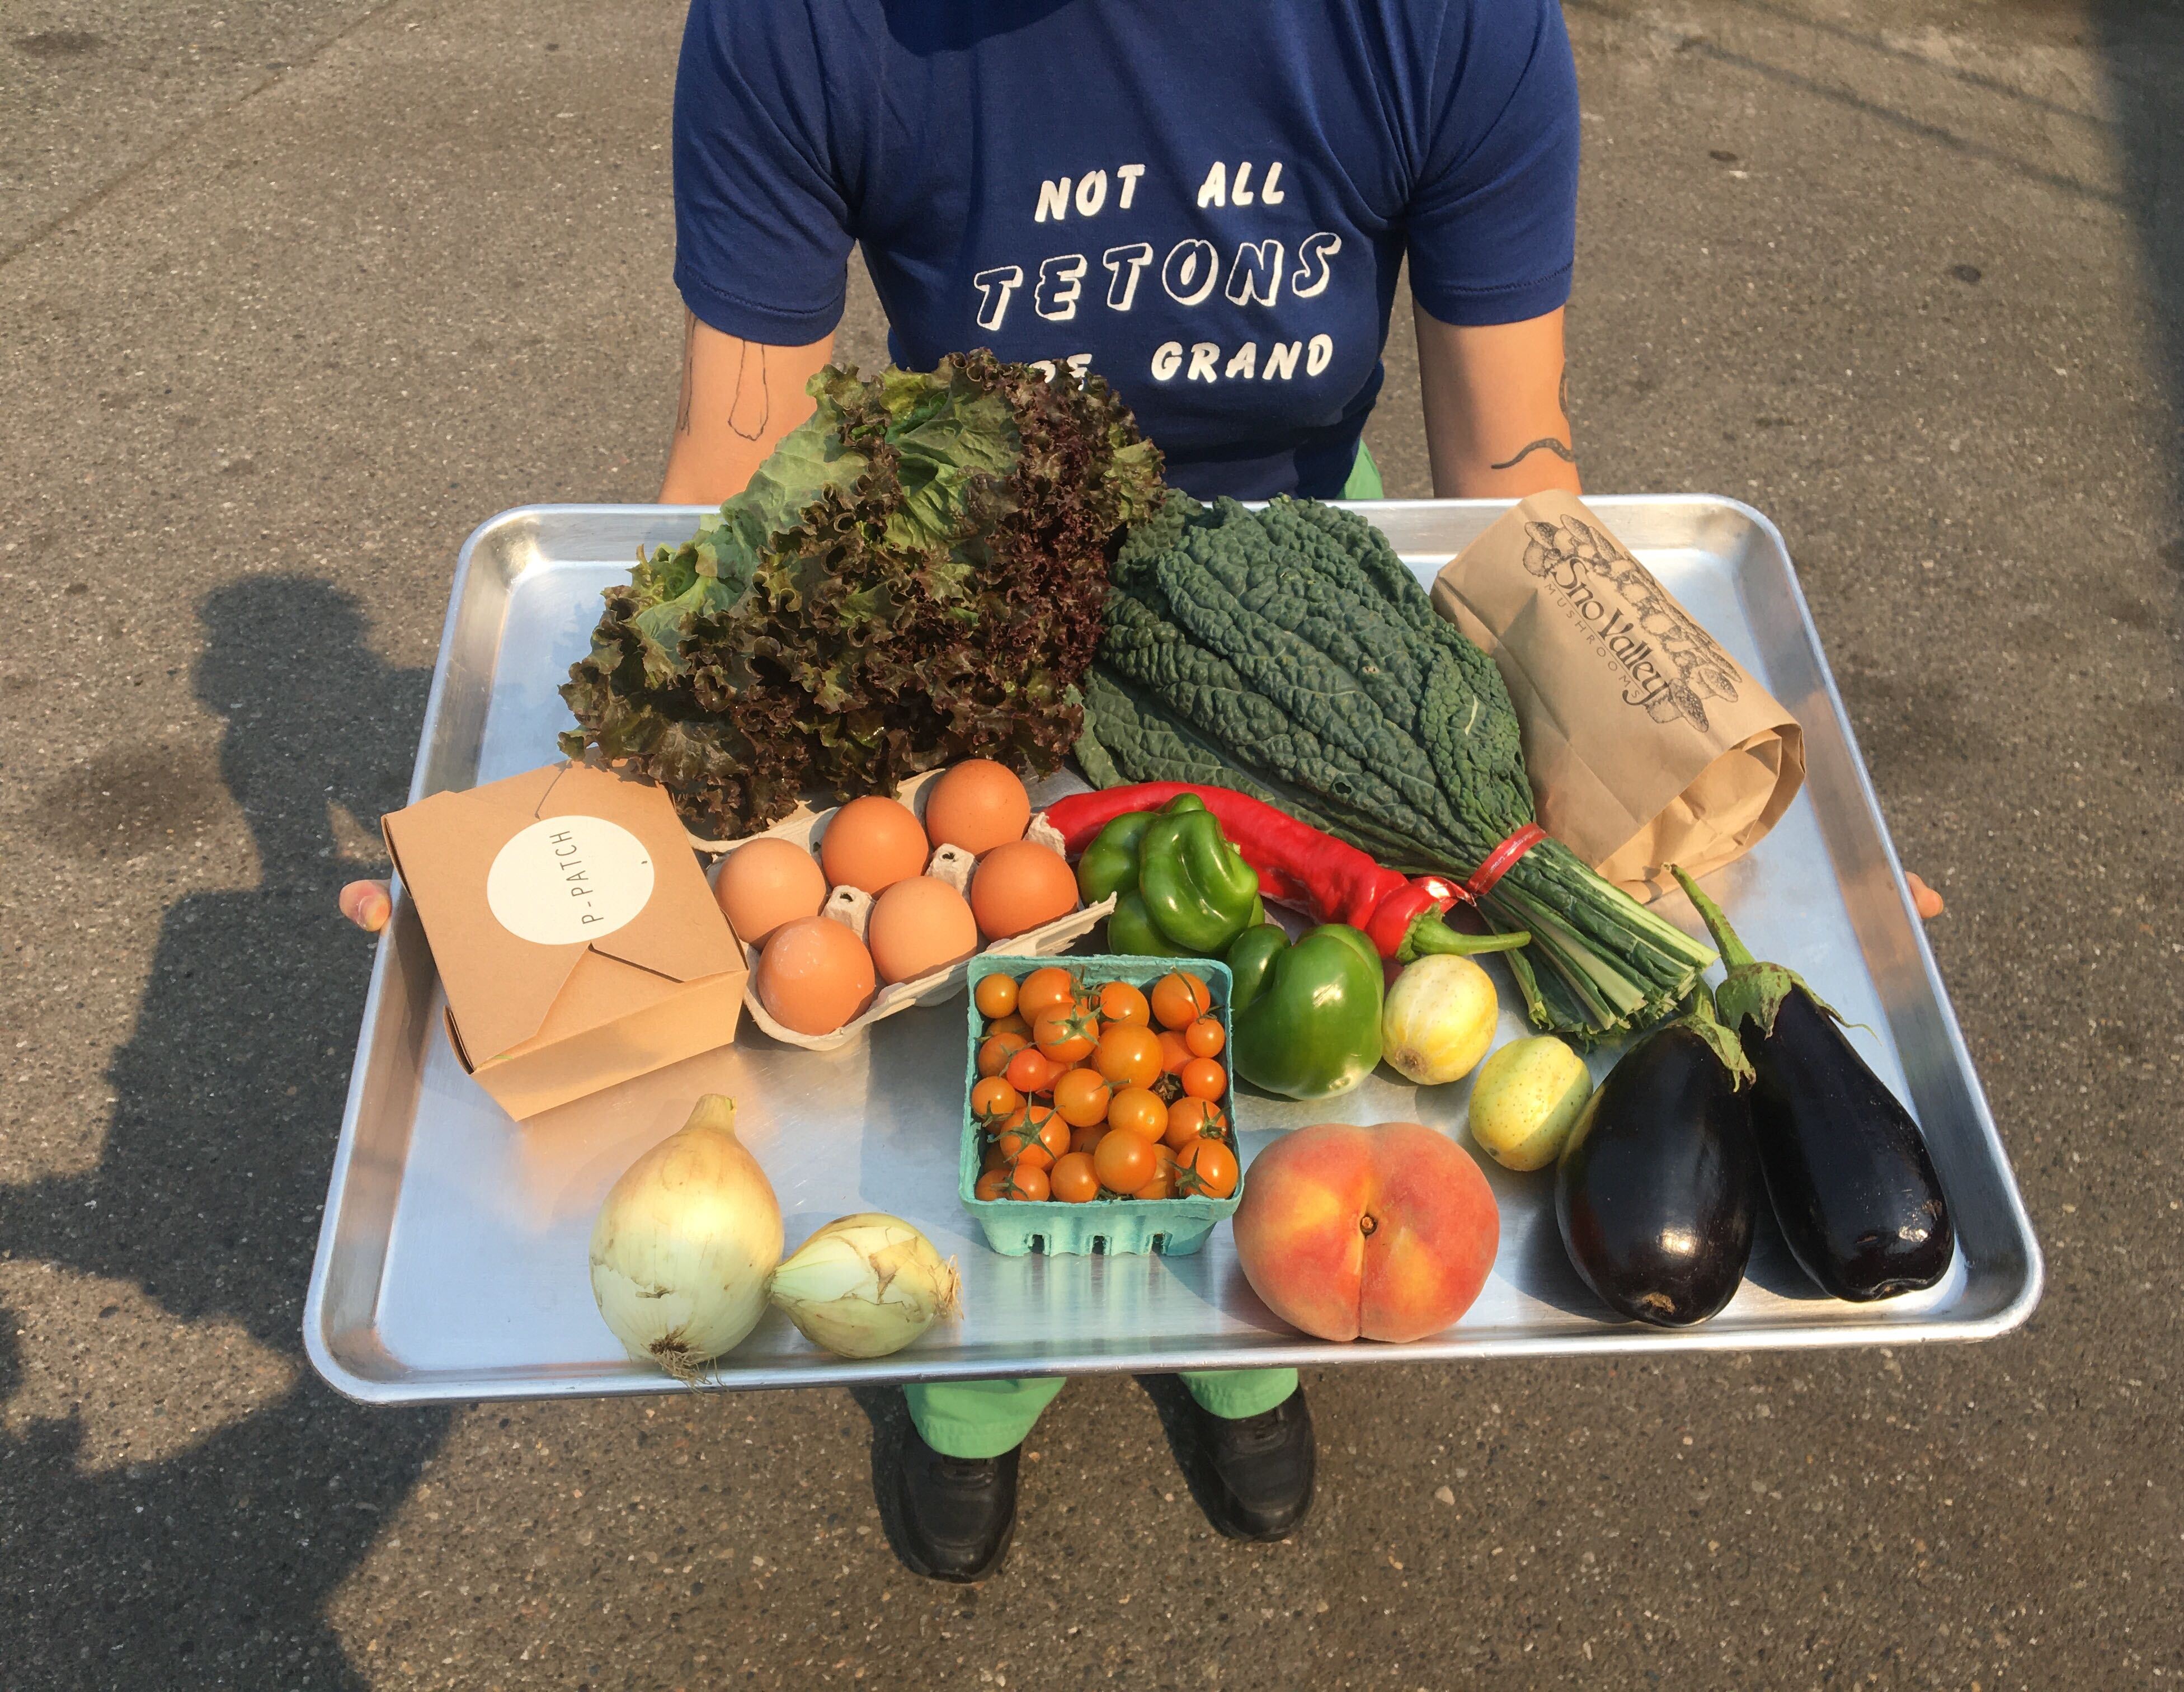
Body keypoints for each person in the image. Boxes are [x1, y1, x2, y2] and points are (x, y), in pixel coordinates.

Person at [338, 0, 1946, 1583]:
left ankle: (1245, 1359)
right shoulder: (803, 24)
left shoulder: (1451, 23)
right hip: (977, 620)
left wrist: (1721, 808)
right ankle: (968, 1401)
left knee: (1280, 1078)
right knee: (974, 1103)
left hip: (1314, 605)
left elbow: (1516, 476)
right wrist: (543, 866)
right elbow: (731, 469)